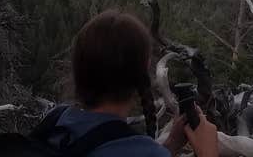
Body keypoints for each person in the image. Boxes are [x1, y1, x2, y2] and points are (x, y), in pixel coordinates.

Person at [54, 9, 219, 157]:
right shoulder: (141, 151)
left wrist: (171, 145)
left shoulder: (55, 121)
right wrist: (208, 152)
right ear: (145, 69)